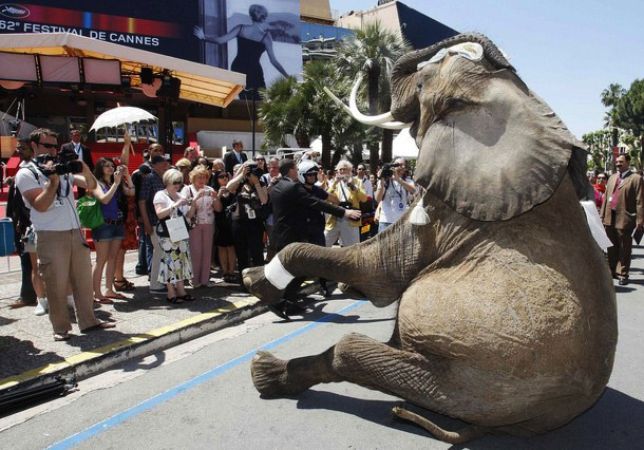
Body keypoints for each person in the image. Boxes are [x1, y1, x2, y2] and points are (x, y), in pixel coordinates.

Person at [15, 128, 115, 341]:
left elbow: (90, 184)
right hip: (50, 234)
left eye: (55, 146)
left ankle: (89, 322)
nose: (52, 151)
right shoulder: (26, 173)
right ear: (34, 146)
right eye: (47, 146)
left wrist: (82, 165)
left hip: (74, 231)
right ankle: (60, 329)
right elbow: (40, 205)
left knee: (83, 280)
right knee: (56, 283)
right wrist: (52, 182)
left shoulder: (63, 168)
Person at [267, 159, 360, 319]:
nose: (297, 171)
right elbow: (315, 203)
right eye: (295, 169)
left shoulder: (277, 186)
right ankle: (278, 301)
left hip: (279, 235)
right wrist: (344, 213)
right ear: (290, 171)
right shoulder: (293, 187)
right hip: (291, 237)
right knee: (302, 269)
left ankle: (286, 302)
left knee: (292, 270)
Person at [193, 4, 289, 100]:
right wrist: (287, 76)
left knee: (245, 100)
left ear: (251, 16)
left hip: (238, 67)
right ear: (264, 18)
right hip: (254, 71)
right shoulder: (265, 37)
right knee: (260, 101)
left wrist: (204, 37)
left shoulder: (241, 28)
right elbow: (273, 61)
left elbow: (220, 40)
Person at [6, 140, 45, 314]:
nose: (19, 150)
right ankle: (29, 295)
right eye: (18, 148)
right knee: (26, 261)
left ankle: (37, 297)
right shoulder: (23, 169)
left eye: (23, 148)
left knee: (34, 262)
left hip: (31, 223)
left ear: (33, 149)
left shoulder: (34, 170)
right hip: (21, 222)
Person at [91, 157, 135, 304]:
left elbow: (131, 192)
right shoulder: (97, 183)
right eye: (106, 166)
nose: (110, 168)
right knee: (101, 259)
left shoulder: (115, 182)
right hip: (103, 225)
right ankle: (96, 292)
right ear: (100, 168)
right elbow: (104, 199)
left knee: (112, 258)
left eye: (112, 165)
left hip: (118, 223)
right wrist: (116, 183)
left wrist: (127, 176)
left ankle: (109, 289)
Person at [153, 169, 198, 304]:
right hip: (168, 233)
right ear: (167, 181)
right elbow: (160, 214)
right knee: (169, 262)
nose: (178, 185)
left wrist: (193, 203)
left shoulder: (179, 195)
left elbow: (188, 216)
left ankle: (181, 290)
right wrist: (176, 205)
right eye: (175, 182)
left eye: (179, 182)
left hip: (180, 232)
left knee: (182, 261)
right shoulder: (160, 195)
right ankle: (170, 292)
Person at [599, 154, 644, 285]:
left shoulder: (636, 179)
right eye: (617, 162)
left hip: (625, 219)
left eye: (621, 162)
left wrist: (640, 220)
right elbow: (606, 197)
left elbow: (640, 201)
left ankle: (623, 274)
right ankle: (612, 270)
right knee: (611, 246)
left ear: (628, 162)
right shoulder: (613, 177)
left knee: (624, 247)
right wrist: (602, 215)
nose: (618, 164)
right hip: (609, 218)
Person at [182, 165, 222, 288]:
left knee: (207, 252)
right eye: (199, 177)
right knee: (195, 251)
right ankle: (194, 279)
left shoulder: (209, 189)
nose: (201, 180)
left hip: (209, 223)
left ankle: (205, 279)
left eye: (204, 177)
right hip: (194, 224)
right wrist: (196, 198)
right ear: (193, 178)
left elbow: (219, 209)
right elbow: (186, 212)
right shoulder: (187, 189)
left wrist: (215, 198)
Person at [227, 162, 269, 276]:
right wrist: (241, 174)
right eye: (253, 174)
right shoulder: (240, 184)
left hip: (255, 223)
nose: (256, 176)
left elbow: (264, 200)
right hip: (239, 222)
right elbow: (228, 187)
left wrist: (256, 184)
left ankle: (260, 279)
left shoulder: (261, 183)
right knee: (242, 254)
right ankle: (243, 281)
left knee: (257, 253)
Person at [139, 154, 171, 295]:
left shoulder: (163, 178)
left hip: (164, 221)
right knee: (159, 251)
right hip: (153, 221)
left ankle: (161, 282)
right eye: (164, 163)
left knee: (163, 251)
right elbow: (142, 201)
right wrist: (146, 222)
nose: (166, 165)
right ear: (156, 164)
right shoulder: (149, 179)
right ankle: (156, 285)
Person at [132, 143, 165, 275]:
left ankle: (150, 268)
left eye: (160, 150)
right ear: (149, 151)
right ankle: (144, 267)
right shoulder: (141, 171)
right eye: (155, 149)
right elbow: (137, 196)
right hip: (146, 213)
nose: (157, 152)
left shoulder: (163, 169)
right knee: (146, 242)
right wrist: (139, 215)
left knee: (152, 243)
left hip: (160, 214)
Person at [324, 160, 367, 247]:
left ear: (350, 170)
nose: (342, 172)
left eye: (344, 169)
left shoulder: (357, 182)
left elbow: (364, 199)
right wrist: (335, 183)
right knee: (323, 244)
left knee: (352, 248)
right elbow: (326, 198)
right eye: (340, 170)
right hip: (335, 217)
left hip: (351, 219)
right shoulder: (334, 183)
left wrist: (353, 186)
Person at [375, 158, 416, 232]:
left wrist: (398, 179)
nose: (402, 167)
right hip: (386, 221)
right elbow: (378, 199)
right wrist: (381, 182)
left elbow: (413, 190)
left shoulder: (408, 180)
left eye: (404, 165)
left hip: (401, 221)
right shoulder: (385, 180)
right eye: (399, 165)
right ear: (392, 166)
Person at [212, 170, 237, 283]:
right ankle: (225, 271)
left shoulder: (233, 190)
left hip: (231, 222)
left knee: (231, 247)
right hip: (220, 223)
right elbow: (217, 208)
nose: (224, 178)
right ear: (217, 179)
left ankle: (231, 271)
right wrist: (218, 195)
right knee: (221, 247)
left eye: (226, 176)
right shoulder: (214, 191)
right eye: (221, 177)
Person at [60, 129, 93, 196]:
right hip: (70, 171)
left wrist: (91, 172)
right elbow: (61, 158)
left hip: (81, 171)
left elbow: (89, 161)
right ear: (71, 136)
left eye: (78, 135)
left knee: (82, 189)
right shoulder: (65, 147)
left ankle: (81, 202)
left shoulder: (85, 148)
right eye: (75, 135)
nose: (77, 137)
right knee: (69, 188)